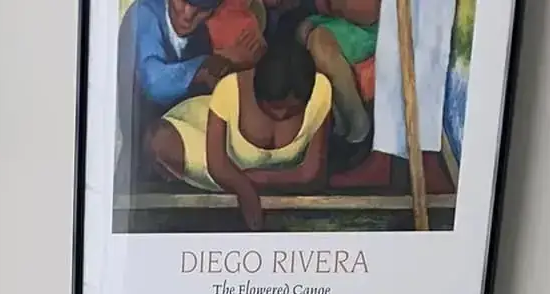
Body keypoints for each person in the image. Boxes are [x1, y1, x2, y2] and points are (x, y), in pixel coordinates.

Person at [151, 31, 330, 229]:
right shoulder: (230, 89)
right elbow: (217, 165)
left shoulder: (321, 91)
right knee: (160, 140)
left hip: (245, 169)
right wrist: (245, 189)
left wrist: (258, 178)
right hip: (203, 132)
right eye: (273, 107)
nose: (281, 116)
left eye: (293, 110)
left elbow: (311, 173)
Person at [118, 0, 265, 155]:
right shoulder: (144, 13)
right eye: (182, 1)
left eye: (202, 8)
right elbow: (153, 81)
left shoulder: (206, 31)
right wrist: (207, 64)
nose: (188, 15)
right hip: (142, 158)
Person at [297, 0, 380, 146]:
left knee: (320, 43)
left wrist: (338, 6)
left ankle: (358, 122)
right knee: (302, 32)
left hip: (371, 29)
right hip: (340, 20)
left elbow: (370, 13)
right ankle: (337, 116)